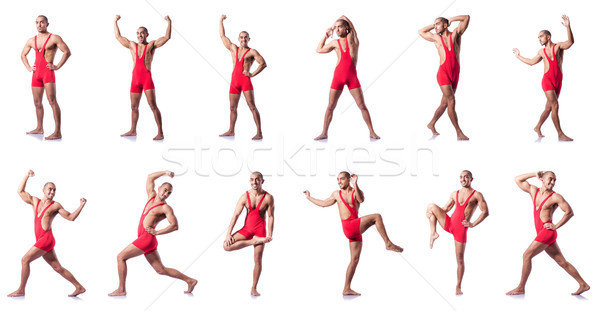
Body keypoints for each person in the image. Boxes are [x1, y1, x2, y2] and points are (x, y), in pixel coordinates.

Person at [303, 172, 403, 295]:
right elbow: (323, 203)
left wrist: (355, 184)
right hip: (349, 226)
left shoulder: (355, 192)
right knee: (377, 217)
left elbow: (361, 199)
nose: (339, 181)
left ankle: (346, 288)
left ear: (348, 179)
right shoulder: (336, 194)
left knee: (354, 260)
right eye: (337, 179)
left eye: (342, 179)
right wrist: (309, 197)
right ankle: (388, 243)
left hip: (356, 228)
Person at [108, 171, 197, 296]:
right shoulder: (151, 196)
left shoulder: (165, 208)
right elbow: (150, 177)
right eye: (165, 190)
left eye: (169, 193)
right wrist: (166, 172)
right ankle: (190, 280)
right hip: (146, 240)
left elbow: (175, 226)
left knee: (120, 257)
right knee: (161, 270)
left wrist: (157, 232)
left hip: (147, 239)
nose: (166, 194)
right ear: (159, 188)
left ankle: (121, 289)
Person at [506, 171, 589, 295]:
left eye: (555, 180)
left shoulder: (555, 197)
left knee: (526, 255)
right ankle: (583, 284)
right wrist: (534, 174)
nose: (553, 182)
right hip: (542, 233)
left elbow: (569, 212)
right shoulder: (533, 191)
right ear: (542, 180)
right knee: (562, 262)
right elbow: (517, 179)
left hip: (547, 233)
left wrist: (556, 226)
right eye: (550, 179)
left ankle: (521, 287)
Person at [8, 170, 86, 297]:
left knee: (24, 260)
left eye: (54, 190)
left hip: (46, 239)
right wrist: (27, 176)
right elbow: (20, 191)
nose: (52, 192)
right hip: (41, 240)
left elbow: (71, 217)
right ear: (43, 190)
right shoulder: (34, 201)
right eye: (50, 189)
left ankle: (21, 290)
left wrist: (81, 205)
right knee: (58, 268)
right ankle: (79, 287)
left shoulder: (55, 206)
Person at [314, 16, 380, 140]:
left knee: (362, 106)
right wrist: (326, 36)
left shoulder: (353, 39)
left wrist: (337, 21)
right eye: (336, 28)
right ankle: (324, 132)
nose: (337, 30)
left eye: (339, 27)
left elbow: (344, 17)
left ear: (347, 27)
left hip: (352, 78)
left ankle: (372, 132)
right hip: (338, 77)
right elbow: (319, 49)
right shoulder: (335, 43)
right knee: (330, 106)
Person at [425, 170, 489, 294]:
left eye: (466, 177)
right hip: (449, 223)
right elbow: (445, 209)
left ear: (471, 179)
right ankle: (433, 233)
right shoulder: (455, 193)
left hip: (460, 229)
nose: (463, 179)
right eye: (461, 177)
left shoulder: (477, 195)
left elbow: (485, 212)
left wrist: (472, 224)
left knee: (459, 260)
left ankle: (458, 286)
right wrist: (430, 213)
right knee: (431, 207)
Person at [513, 15, 574, 141]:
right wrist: (518, 56)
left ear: (548, 37)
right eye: (538, 37)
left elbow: (570, 42)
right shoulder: (541, 52)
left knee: (548, 108)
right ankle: (560, 134)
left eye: (541, 36)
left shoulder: (558, 46)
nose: (539, 39)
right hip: (547, 81)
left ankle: (537, 126)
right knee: (555, 105)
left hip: (558, 81)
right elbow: (531, 62)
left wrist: (568, 27)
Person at [115, 15, 171, 140]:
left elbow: (167, 37)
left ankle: (160, 132)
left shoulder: (151, 45)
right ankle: (133, 130)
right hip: (135, 80)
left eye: (142, 33)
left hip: (146, 79)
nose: (139, 35)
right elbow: (118, 37)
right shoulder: (131, 45)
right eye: (138, 33)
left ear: (147, 34)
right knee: (133, 107)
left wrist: (169, 22)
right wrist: (115, 21)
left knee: (153, 106)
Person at [418, 15, 470, 140]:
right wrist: (434, 25)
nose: (435, 27)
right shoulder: (436, 38)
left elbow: (466, 18)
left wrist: (451, 19)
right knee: (451, 100)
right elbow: (421, 31)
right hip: (443, 73)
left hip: (455, 73)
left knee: (444, 103)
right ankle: (458, 132)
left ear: (445, 25)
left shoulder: (456, 34)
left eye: (437, 24)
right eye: (434, 25)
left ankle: (431, 123)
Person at [223, 172, 274, 296]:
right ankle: (253, 241)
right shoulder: (245, 196)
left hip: (260, 231)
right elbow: (235, 215)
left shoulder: (268, 197)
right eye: (252, 180)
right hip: (247, 229)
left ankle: (254, 288)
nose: (254, 182)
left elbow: (271, 216)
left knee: (257, 259)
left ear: (262, 181)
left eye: (257, 180)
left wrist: (269, 235)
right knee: (226, 246)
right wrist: (228, 234)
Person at [21, 15, 71, 140]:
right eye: (37, 22)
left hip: (48, 73)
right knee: (37, 103)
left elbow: (67, 52)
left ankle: (57, 131)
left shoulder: (54, 38)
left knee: (52, 101)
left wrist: (57, 66)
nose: (39, 25)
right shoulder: (31, 40)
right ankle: (39, 128)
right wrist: (28, 67)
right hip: (36, 74)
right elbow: (23, 55)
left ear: (47, 24)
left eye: (42, 22)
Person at [219, 15, 267, 140]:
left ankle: (259, 132)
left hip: (245, 81)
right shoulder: (233, 48)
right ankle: (231, 130)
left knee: (252, 107)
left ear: (249, 39)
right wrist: (220, 21)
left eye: (246, 37)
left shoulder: (252, 52)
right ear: (238, 39)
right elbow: (222, 36)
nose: (243, 39)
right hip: (234, 81)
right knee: (232, 107)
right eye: (241, 37)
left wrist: (252, 74)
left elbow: (263, 63)